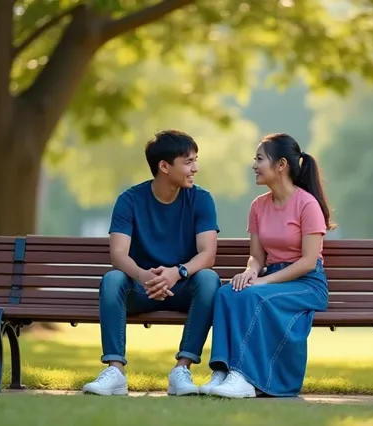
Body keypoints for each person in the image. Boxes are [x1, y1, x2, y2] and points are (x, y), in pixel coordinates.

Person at [82, 130, 222, 396]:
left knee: (208, 279)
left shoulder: (201, 199)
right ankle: (115, 371)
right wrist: (143, 276)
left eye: (195, 160)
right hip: (141, 289)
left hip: (181, 288)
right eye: (189, 162)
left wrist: (177, 273)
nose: (196, 168)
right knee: (113, 279)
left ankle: (182, 370)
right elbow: (118, 254)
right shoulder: (130, 200)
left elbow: (207, 255)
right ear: (164, 167)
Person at [202, 133, 334, 398]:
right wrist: (251, 271)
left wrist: (261, 281)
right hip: (273, 278)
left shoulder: (307, 204)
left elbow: (308, 262)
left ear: (281, 164)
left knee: (253, 297)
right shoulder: (258, 206)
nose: (254, 165)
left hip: (306, 284)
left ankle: (244, 377)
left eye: (260, 159)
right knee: (227, 294)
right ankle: (224, 371)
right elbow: (257, 257)